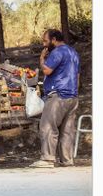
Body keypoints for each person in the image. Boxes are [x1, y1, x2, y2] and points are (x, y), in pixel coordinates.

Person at [29, 29, 80, 168]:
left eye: (46, 41)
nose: (44, 44)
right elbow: (77, 76)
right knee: (67, 130)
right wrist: (74, 92)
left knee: (48, 127)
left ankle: (47, 159)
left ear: (54, 39)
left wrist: (42, 59)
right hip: (72, 96)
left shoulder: (57, 52)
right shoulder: (73, 53)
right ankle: (67, 160)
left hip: (57, 95)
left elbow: (46, 70)